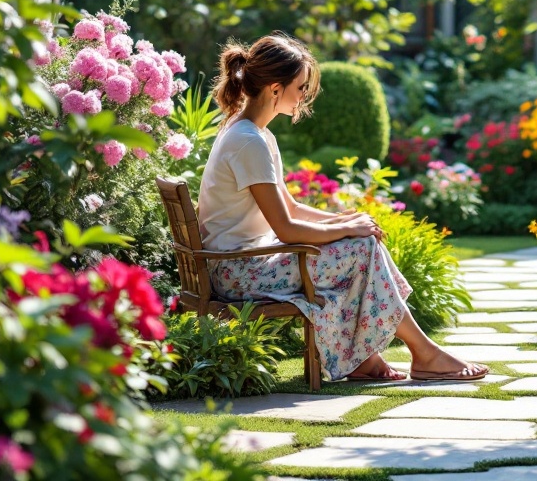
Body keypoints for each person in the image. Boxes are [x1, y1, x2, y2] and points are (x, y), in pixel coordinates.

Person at [197, 32, 488, 383]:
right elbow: (287, 228)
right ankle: (421, 354)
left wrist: (342, 219)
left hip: (246, 264)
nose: (303, 95)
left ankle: (373, 358)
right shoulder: (248, 141)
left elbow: (288, 205)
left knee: (360, 243)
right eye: (300, 87)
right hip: (237, 273)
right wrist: (348, 229)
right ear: (275, 89)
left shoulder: (254, 135)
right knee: (360, 245)